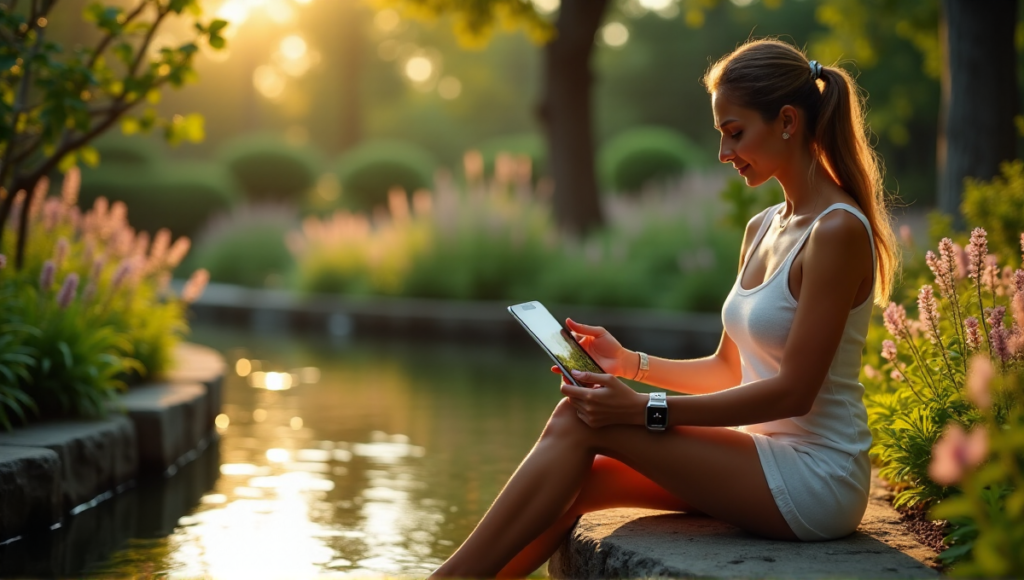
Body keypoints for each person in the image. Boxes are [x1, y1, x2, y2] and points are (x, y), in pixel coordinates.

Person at [431, 38, 899, 579]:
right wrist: (630, 364)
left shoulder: (836, 229)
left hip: (818, 480)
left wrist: (642, 409)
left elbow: (794, 391)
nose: (724, 154)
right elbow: (728, 369)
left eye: (735, 132)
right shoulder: (764, 226)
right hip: (763, 460)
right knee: (583, 481)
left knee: (580, 423)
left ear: (788, 121)